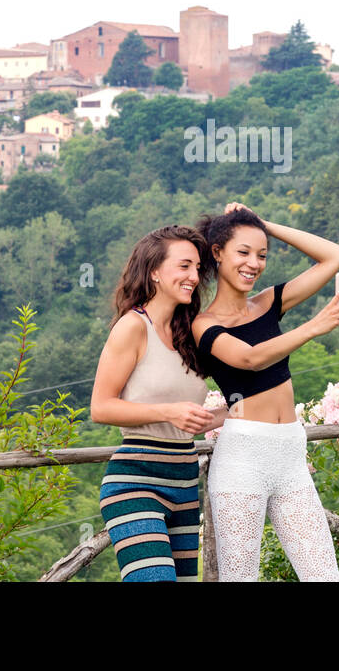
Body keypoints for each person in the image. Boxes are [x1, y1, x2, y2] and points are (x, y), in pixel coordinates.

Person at [192, 203, 339, 581]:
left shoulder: (267, 303)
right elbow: (250, 358)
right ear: (217, 253)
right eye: (243, 252)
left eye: (262, 255)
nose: (254, 263)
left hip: (291, 455)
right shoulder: (204, 324)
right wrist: (314, 326)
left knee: (324, 576)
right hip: (243, 458)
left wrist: (262, 224)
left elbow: (335, 256)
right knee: (241, 578)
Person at [89, 225, 228, 581]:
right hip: (135, 482)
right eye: (183, 266)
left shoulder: (189, 333)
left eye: (197, 268)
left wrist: (226, 415)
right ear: (154, 271)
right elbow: (101, 407)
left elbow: (186, 419)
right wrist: (169, 411)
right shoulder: (133, 327)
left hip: (185, 482)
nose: (194, 276)